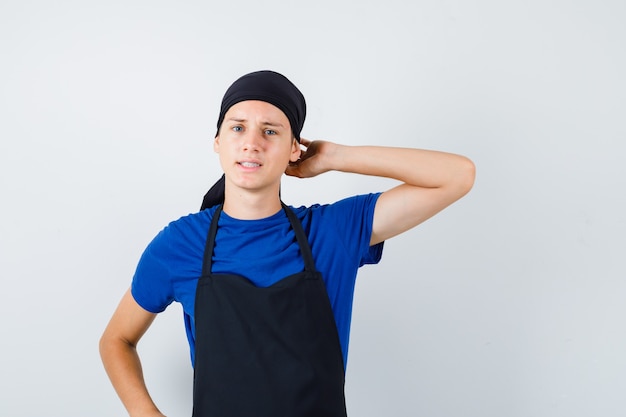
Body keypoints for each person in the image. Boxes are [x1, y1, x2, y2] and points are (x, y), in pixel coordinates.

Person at [99, 70, 475, 417]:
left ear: (295, 149)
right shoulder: (180, 244)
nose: (251, 143)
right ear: (217, 142)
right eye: (237, 128)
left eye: (271, 131)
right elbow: (117, 339)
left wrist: (337, 157)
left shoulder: (332, 232)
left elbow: (457, 176)